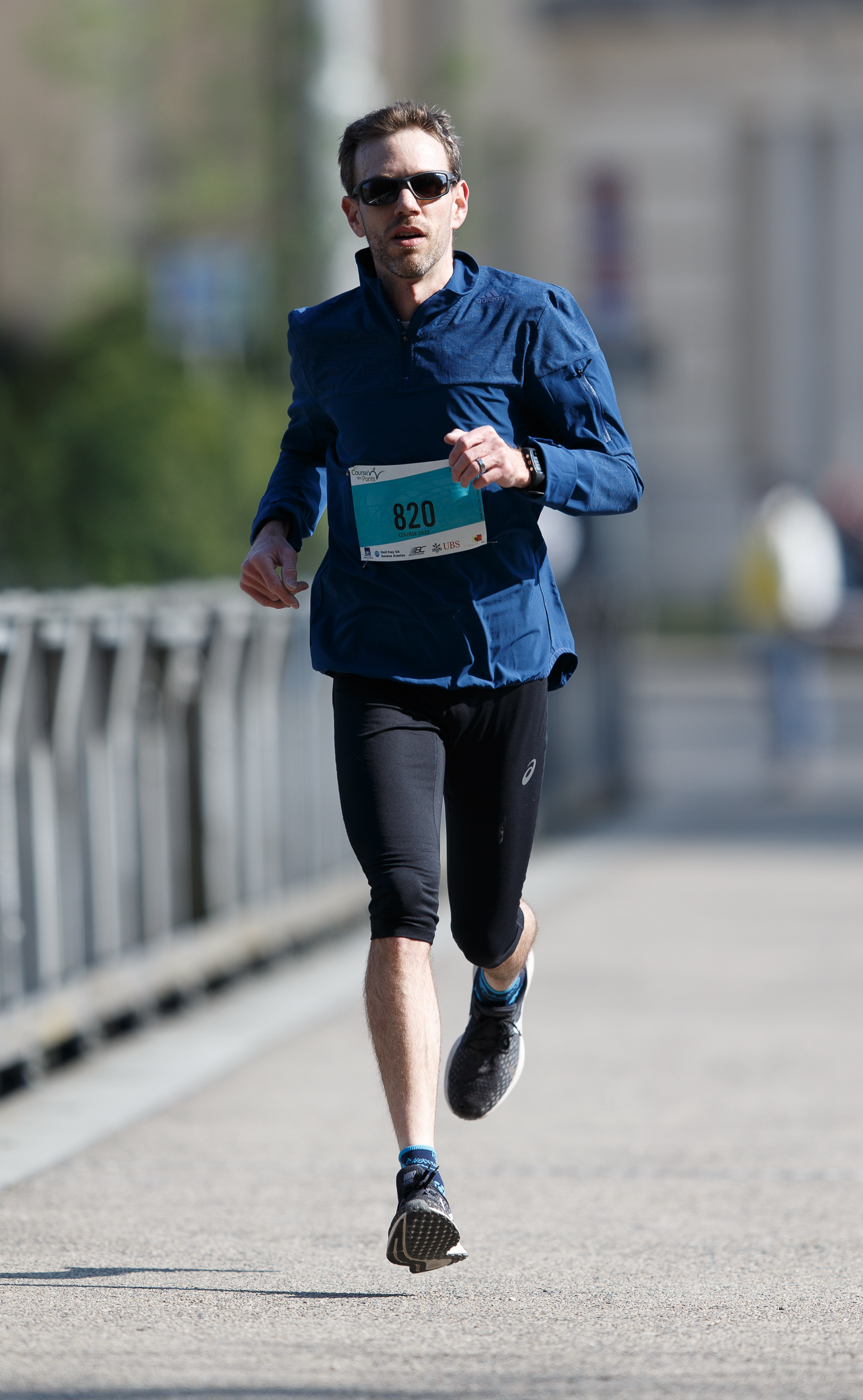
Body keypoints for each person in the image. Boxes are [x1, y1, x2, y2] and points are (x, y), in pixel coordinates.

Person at [240, 102, 642, 1273]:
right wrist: (278, 527)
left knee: (481, 920)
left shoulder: (533, 318)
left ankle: (505, 982)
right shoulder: (324, 334)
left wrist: (527, 462)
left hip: (502, 649)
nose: (404, 205)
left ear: (459, 201)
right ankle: (420, 1175)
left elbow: (619, 470)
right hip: (375, 653)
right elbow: (308, 443)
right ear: (353, 212)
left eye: (424, 184)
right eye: (382, 189)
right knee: (402, 901)